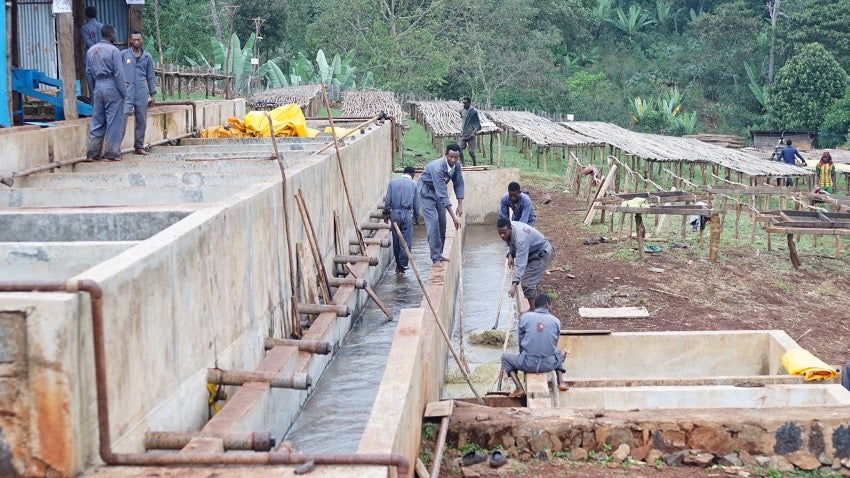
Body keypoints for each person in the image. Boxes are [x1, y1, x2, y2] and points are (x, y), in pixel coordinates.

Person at [500, 293, 568, 399]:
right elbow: (553, 344)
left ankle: (519, 388)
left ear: (536, 306)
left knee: (504, 357)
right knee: (557, 352)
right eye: (551, 305)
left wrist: (523, 357)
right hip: (548, 365)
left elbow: (521, 342)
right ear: (547, 305)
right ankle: (561, 382)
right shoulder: (556, 321)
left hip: (528, 364)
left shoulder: (525, 317)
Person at [85, 25, 127, 162]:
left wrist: (94, 89)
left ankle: (92, 153)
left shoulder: (90, 50)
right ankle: (111, 153)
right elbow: (118, 73)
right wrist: (124, 92)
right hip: (112, 86)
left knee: (97, 121)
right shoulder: (114, 51)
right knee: (114, 121)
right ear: (112, 34)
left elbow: (88, 73)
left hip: (98, 86)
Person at [417, 144, 464, 266]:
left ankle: (440, 253)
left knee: (442, 222)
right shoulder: (437, 168)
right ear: (445, 155)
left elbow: (459, 183)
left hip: (439, 191)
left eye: (456, 157)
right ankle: (435, 258)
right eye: (451, 157)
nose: (453, 160)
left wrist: (460, 204)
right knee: (433, 223)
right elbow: (443, 194)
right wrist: (454, 217)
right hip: (427, 192)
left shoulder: (456, 166)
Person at [497, 218, 554, 309]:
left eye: (504, 233)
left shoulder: (521, 239)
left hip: (542, 253)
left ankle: (533, 310)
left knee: (527, 283)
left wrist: (514, 285)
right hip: (532, 251)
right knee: (527, 280)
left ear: (510, 229)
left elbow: (520, 264)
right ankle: (533, 306)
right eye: (500, 233)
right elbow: (511, 242)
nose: (502, 236)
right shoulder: (511, 226)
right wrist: (510, 254)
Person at [122, 30, 157, 155]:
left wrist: (152, 94)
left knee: (141, 118)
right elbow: (117, 72)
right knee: (122, 116)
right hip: (127, 90)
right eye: (134, 39)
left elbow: (151, 76)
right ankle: (115, 149)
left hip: (142, 90)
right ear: (131, 41)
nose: (136, 41)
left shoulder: (147, 57)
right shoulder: (123, 55)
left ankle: (139, 146)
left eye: (139, 39)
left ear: (142, 40)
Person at [385, 166, 421, 273]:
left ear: (404, 172)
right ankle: (403, 264)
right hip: (406, 214)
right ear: (413, 174)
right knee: (406, 240)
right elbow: (416, 203)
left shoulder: (392, 182)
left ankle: (398, 264)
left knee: (396, 240)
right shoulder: (414, 184)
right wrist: (416, 216)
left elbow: (388, 200)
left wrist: (387, 213)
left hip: (395, 213)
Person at [457, 96, 481, 165]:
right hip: (463, 134)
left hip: (471, 134)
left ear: (469, 103)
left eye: (465, 103)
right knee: (459, 148)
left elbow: (477, 124)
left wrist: (474, 132)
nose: (464, 104)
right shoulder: (462, 111)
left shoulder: (473, 112)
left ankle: (475, 164)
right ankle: (463, 164)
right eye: (463, 103)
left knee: (471, 152)